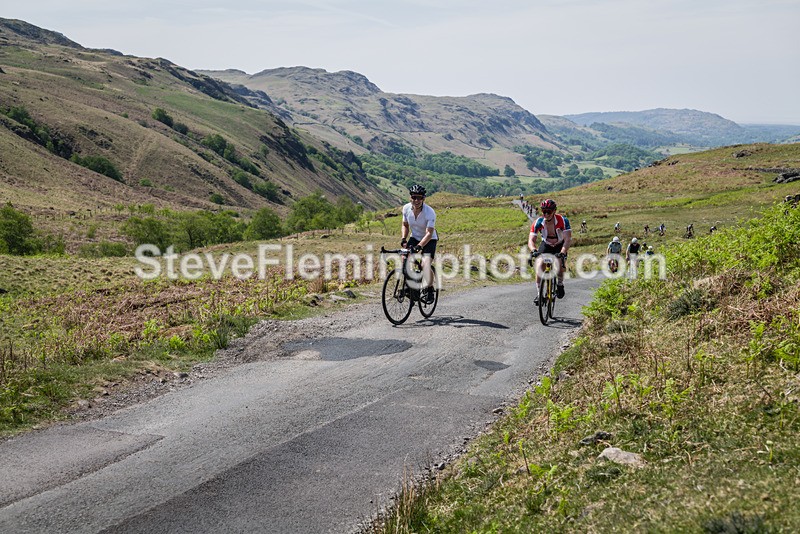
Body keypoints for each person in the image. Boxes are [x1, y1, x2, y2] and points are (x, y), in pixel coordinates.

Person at [528, 199, 571, 304]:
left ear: (554, 211)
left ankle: (560, 284)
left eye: (549, 211)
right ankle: (539, 295)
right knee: (539, 265)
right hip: (546, 244)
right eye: (544, 211)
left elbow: (567, 240)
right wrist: (534, 250)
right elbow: (531, 240)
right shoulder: (538, 222)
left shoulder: (563, 220)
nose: (546, 214)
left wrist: (563, 252)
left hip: (560, 244)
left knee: (560, 264)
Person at [401, 184, 438, 303]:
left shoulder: (430, 212)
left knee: (424, 265)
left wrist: (419, 246)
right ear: (410, 197)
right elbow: (405, 225)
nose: (416, 200)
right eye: (414, 197)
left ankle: (430, 288)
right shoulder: (406, 209)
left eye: (419, 198)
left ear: (424, 199)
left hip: (429, 239)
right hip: (415, 237)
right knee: (404, 259)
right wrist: (403, 238)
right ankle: (410, 286)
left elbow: (429, 233)